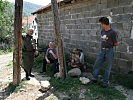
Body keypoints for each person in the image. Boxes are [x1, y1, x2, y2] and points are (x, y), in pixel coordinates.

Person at [91, 17, 119, 88]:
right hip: (102, 51)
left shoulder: (113, 32)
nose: (100, 25)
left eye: (101, 23)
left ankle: (105, 83)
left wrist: (113, 43)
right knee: (96, 64)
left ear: (104, 24)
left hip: (109, 51)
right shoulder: (102, 31)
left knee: (108, 68)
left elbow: (115, 43)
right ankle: (94, 78)